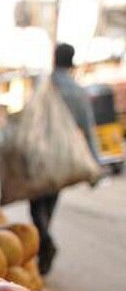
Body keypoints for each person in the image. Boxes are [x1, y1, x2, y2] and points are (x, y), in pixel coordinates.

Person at [30, 42, 100, 276]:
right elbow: (89, 129)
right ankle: (44, 246)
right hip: (63, 159)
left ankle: (45, 242)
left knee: (35, 205)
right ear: (71, 62)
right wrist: (95, 163)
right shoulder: (78, 92)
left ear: (54, 59)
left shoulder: (44, 84)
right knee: (49, 204)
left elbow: (30, 119)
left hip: (40, 154)